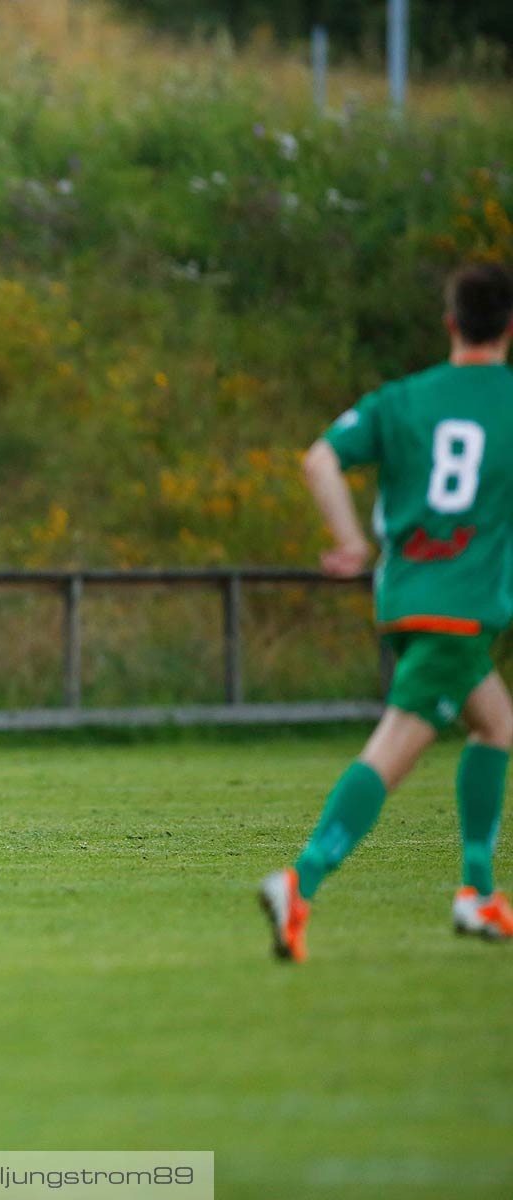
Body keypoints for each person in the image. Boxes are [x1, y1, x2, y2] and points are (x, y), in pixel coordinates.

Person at [261, 261, 513, 962]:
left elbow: (319, 461)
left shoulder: (403, 399)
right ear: (510, 328)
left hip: (406, 599)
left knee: (496, 725)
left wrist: (350, 540)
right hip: (460, 609)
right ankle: (300, 879)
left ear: (451, 324)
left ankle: (476, 892)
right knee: (396, 745)